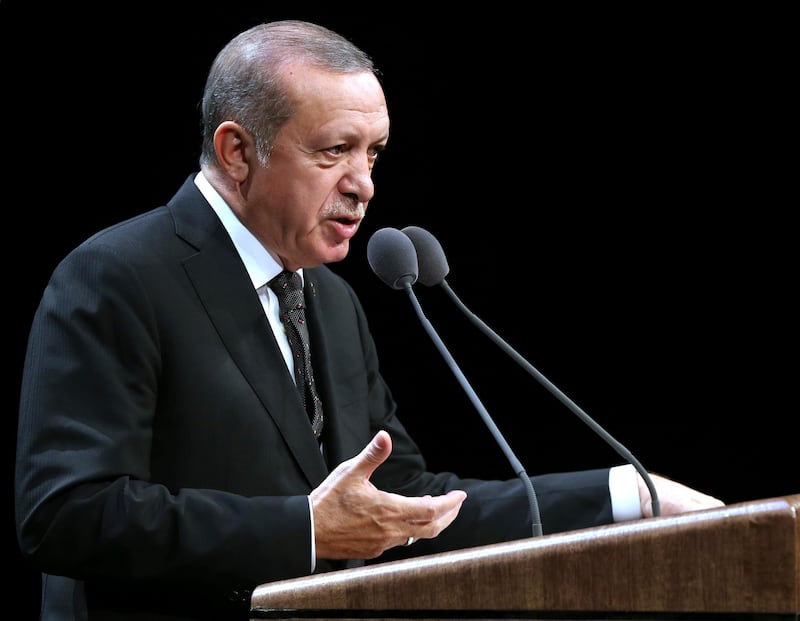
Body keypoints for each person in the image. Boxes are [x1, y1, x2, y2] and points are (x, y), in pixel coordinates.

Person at [14, 19, 724, 621]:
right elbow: (66, 513)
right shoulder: (119, 275)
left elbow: (407, 505)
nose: (364, 184)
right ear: (238, 152)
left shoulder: (330, 298)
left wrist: (627, 495)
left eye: (373, 152)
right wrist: (304, 530)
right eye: (334, 151)